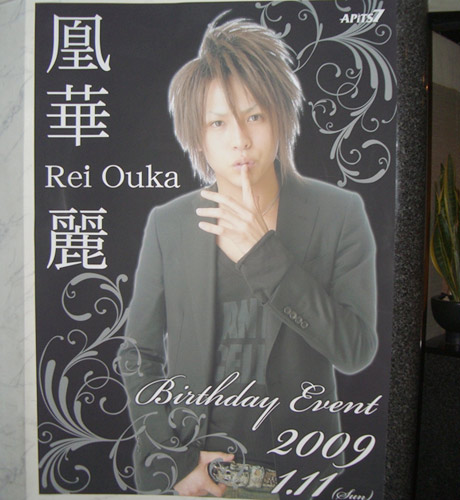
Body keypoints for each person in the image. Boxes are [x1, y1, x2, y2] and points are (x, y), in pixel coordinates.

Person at [118, 16, 378, 499]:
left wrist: (265, 255)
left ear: (279, 117)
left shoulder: (339, 212)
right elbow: (138, 353)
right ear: (197, 136)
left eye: (254, 116)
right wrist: (174, 460)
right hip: (202, 474)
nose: (239, 138)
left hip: (300, 473)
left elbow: (355, 349)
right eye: (218, 122)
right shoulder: (168, 225)